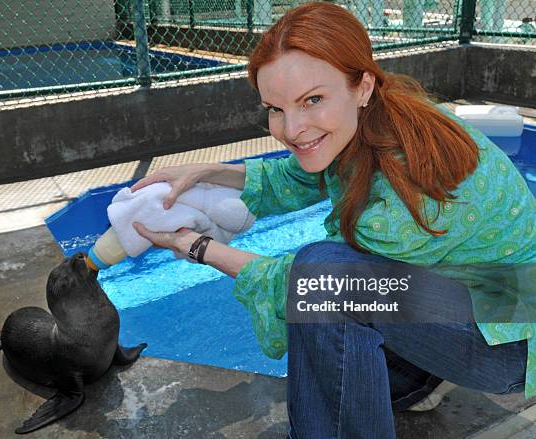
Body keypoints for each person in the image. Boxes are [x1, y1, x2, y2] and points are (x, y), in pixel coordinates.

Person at [130, 3, 535, 438]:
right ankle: (416, 381)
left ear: (361, 85)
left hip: (510, 344)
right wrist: (207, 173)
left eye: (313, 100)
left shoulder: (409, 183)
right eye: (275, 109)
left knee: (323, 277)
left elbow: (305, 283)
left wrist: (197, 247)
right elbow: (299, 174)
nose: (292, 128)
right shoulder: (381, 116)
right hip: (469, 298)